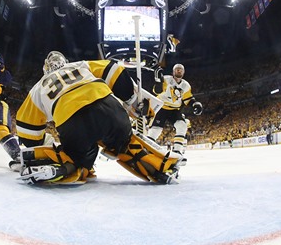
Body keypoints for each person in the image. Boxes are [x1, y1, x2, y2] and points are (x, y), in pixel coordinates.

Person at [14, 51, 182, 185]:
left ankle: (61, 166)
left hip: (72, 120)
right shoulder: (80, 65)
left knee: (79, 158)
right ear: (65, 62)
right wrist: (130, 99)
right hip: (109, 107)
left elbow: (26, 126)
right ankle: (161, 168)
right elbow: (113, 69)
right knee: (127, 146)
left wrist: (38, 145)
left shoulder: (38, 87)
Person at [147, 63, 202, 165]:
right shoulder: (166, 79)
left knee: (182, 126)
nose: (179, 70)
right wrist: (158, 81)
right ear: (173, 71)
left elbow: (188, 98)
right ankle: (147, 150)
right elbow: (157, 91)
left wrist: (195, 104)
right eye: (177, 69)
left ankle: (177, 152)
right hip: (161, 107)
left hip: (175, 110)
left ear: (184, 72)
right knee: (155, 130)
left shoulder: (186, 85)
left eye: (181, 69)